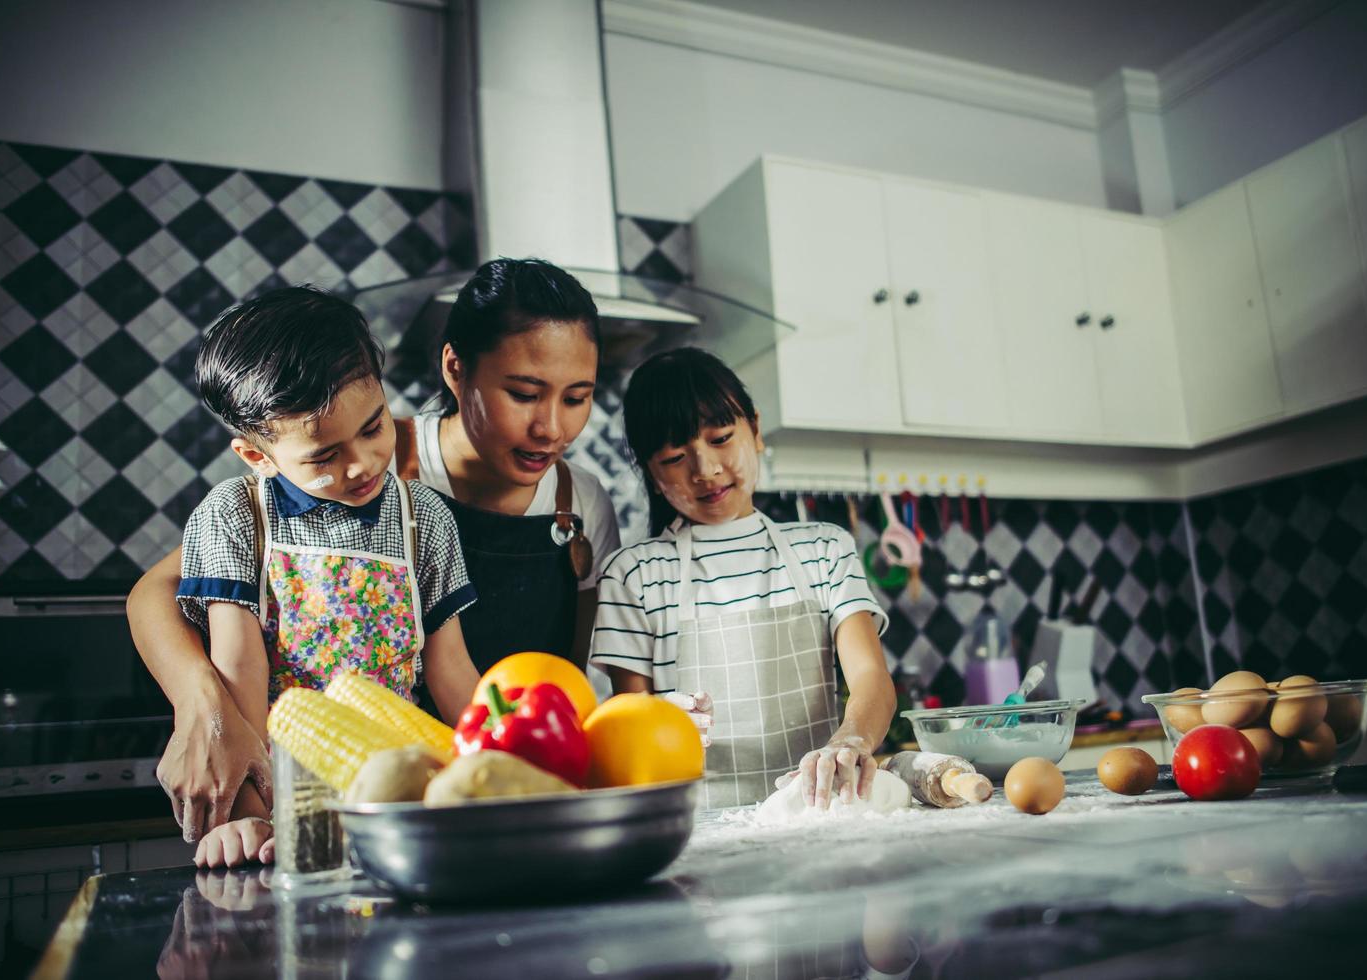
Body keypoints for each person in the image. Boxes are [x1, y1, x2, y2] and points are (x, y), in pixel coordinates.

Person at [127, 259, 620, 840]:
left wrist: (540, 778)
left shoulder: (560, 500)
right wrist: (205, 715)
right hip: (299, 794)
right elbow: (169, 605)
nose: (551, 428)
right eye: (524, 393)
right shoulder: (282, 500)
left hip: (443, 795)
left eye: (577, 397)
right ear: (455, 370)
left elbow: (503, 676)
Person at [172, 286, 479, 866]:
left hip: (406, 807)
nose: (361, 464)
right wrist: (248, 817)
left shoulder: (425, 518)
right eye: (323, 456)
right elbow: (238, 677)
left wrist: (500, 772)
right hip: (289, 811)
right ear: (257, 456)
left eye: (373, 427)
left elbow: (450, 670)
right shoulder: (234, 517)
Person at [590, 348, 894, 810]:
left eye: (721, 438)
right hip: (695, 826)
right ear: (650, 474)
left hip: (821, 813)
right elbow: (628, 725)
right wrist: (657, 719)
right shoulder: (633, 576)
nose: (705, 470)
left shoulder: (824, 550)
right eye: (675, 457)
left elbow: (872, 676)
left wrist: (851, 740)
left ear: (755, 430)